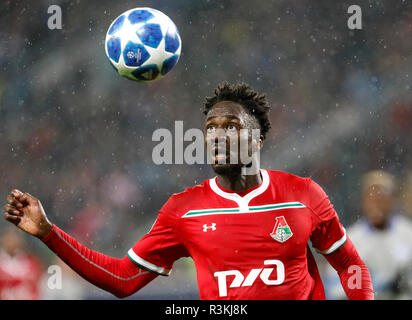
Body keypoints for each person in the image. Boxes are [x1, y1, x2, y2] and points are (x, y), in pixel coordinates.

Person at [3, 82, 374, 300]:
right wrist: (49, 233)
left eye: (231, 125)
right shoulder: (185, 210)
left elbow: (351, 266)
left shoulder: (303, 195)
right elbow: (123, 279)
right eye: (211, 127)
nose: (217, 134)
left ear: (257, 139)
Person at [322, 170, 412, 299]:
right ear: (363, 202)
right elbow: (334, 288)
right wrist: (378, 284)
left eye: (381, 198)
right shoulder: (349, 240)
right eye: (372, 198)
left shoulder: (408, 233)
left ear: (391, 201)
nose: (376, 204)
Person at [0, 227, 43, 299]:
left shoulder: (31, 265)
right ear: (3, 239)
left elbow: (36, 291)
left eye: (15, 237)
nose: (13, 241)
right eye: (9, 237)